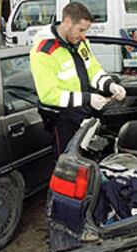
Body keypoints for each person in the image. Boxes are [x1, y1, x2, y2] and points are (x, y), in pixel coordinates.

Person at [30, 2, 126, 157]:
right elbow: (48, 95)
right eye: (80, 29)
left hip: (82, 114)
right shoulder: (45, 52)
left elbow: (93, 70)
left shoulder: (79, 42)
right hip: (61, 121)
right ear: (67, 22)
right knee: (67, 165)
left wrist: (110, 86)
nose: (83, 35)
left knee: (86, 160)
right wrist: (89, 98)